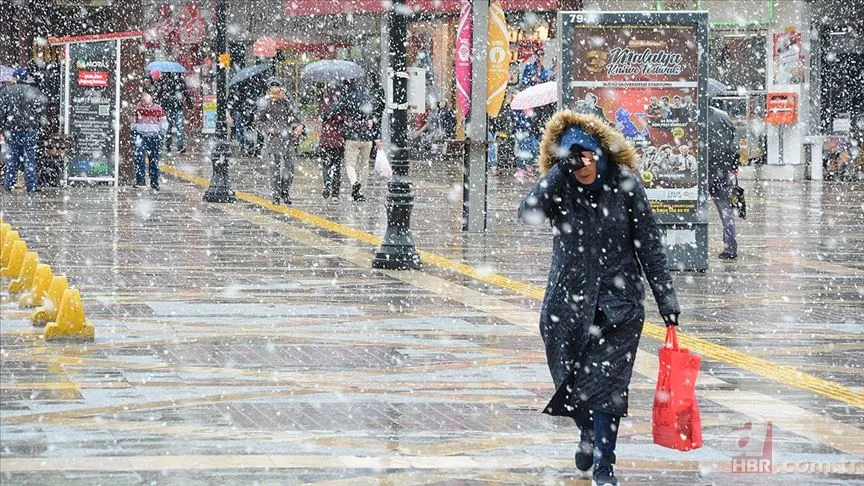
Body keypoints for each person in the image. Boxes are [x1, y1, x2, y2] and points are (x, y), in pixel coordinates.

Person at [518, 110, 680, 486]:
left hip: (618, 307)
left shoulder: (625, 185)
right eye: (573, 160)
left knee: (608, 388)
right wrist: (558, 172)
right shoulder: (561, 185)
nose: (583, 166)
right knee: (569, 381)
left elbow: (650, 246)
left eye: (587, 156)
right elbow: (527, 213)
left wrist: (666, 299)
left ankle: (605, 465)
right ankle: (586, 429)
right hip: (566, 305)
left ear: (601, 153)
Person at [255, 78, 304, 205]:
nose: (276, 88)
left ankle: (285, 190)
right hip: (274, 139)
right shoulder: (266, 102)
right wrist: (267, 128)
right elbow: (258, 121)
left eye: (278, 86)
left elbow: (297, 117)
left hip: (288, 138)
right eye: (273, 86)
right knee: (274, 169)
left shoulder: (287, 101)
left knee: (290, 167)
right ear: (269, 88)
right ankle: (276, 194)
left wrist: (299, 126)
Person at [0, 67, 45, 193]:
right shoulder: (34, 91)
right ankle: (32, 185)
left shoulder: (6, 92)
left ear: (15, 77)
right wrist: (37, 126)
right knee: (29, 157)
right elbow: (41, 112)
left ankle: (9, 184)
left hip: (11, 130)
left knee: (12, 157)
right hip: (29, 129)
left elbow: (1, 112)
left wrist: (2, 127)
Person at [708, 106, 739, 260]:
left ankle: (692, 244)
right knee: (725, 210)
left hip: (702, 170)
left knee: (691, 208)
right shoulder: (723, 117)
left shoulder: (695, 116)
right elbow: (734, 145)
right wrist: (733, 164)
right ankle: (730, 248)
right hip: (721, 169)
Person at [130, 93, 168, 190]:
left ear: (151, 100)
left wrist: (161, 135)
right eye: (143, 102)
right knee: (139, 158)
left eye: (147, 102)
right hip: (141, 136)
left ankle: (154, 182)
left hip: (154, 136)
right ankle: (141, 180)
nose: (145, 105)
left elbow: (163, 123)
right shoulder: (138, 109)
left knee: (153, 160)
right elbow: (134, 122)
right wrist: (134, 132)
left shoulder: (158, 109)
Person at [320, 84, 346, 200]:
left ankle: (327, 184)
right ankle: (335, 193)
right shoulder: (341, 105)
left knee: (326, 165)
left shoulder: (323, 104)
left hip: (326, 139)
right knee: (336, 167)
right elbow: (343, 119)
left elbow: (322, 117)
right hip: (338, 140)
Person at [155, 71, 192, 154]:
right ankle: (176, 146)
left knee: (170, 127)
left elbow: (158, 93)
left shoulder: (165, 80)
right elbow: (185, 93)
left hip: (170, 107)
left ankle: (173, 145)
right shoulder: (175, 80)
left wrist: (158, 102)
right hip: (172, 107)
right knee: (176, 127)